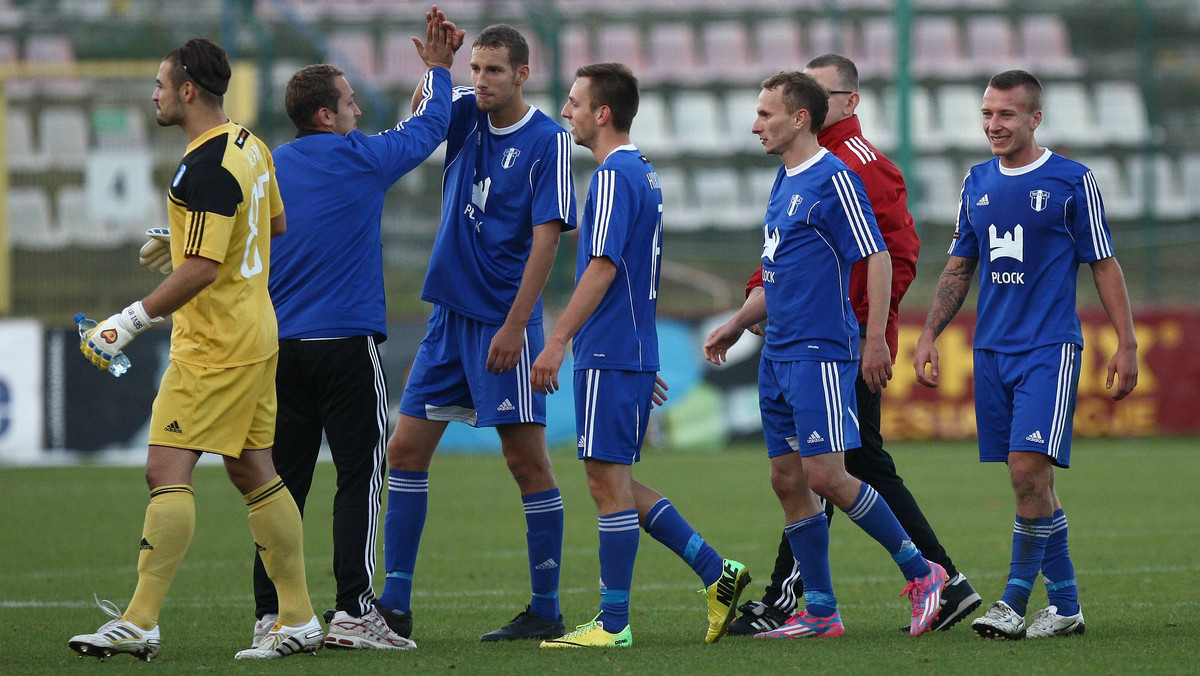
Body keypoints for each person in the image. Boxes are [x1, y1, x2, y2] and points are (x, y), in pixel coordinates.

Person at [707, 53, 980, 636]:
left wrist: (874, 338)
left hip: (824, 349)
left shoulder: (844, 173)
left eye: (764, 113)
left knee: (834, 473)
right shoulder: (785, 179)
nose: (755, 125)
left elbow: (882, 257)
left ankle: (925, 575)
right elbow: (778, 267)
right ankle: (821, 611)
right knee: (792, 479)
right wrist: (737, 321)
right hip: (779, 350)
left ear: (802, 116)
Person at [69, 38, 320, 661]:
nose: (153, 93)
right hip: (257, 331)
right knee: (254, 470)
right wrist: (178, 235)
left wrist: (125, 322)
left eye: (160, 83)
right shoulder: (250, 145)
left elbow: (204, 269)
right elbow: (273, 225)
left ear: (187, 91)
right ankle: (298, 617)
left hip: (214, 343)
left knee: (166, 470)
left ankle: (141, 620)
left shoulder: (203, 167)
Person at [246, 10, 458, 652]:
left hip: (278, 350)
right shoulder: (359, 158)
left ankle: (274, 615)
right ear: (325, 117)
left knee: (280, 483)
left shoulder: (267, 167)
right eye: (348, 100)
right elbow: (427, 130)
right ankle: (352, 613)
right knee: (361, 475)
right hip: (344, 344)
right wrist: (440, 72)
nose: (357, 106)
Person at [530, 63, 751, 649]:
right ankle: (716, 573)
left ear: (602, 112)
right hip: (627, 349)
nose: (567, 112)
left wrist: (558, 342)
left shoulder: (609, 178)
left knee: (606, 484)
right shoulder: (643, 174)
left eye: (575, 102)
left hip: (610, 350)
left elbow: (603, 266)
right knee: (615, 480)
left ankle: (613, 622)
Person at [913, 70, 1138, 640]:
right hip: (991, 350)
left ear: (1034, 118)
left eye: (1007, 114)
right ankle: (1065, 607)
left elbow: (1104, 262)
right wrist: (928, 334)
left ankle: (1012, 601)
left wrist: (1127, 342)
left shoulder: (1072, 181)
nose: (994, 125)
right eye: (987, 114)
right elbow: (961, 264)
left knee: (1024, 471)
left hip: (1049, 349)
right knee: (1032, 483)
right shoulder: (977, 182)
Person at [377, 23, 577, 642]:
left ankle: (545, 608)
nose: (480, 81)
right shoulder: (462, 110)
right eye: (475, 68)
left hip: (502, 322)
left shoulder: (549, 139)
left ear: (522, 73)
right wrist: (436, 67)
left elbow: (548, 239)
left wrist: (519, 326)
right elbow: (421, 120)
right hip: (447, 319)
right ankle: (394, 605)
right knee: (405, 452)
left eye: (494, 71)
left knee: (527, 463)